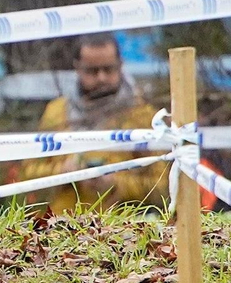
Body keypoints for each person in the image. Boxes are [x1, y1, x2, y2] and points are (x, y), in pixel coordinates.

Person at [20, 34, 167, 212]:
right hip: (61, 225)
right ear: (77, 68)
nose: (101, 78)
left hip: (123, 229)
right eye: (92, 71)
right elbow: (26, 175)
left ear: (121, 65)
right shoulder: (56, 113)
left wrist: (117, 183)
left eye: (108, 69)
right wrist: (61, 173)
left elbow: (163, 186)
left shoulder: (142, 115)